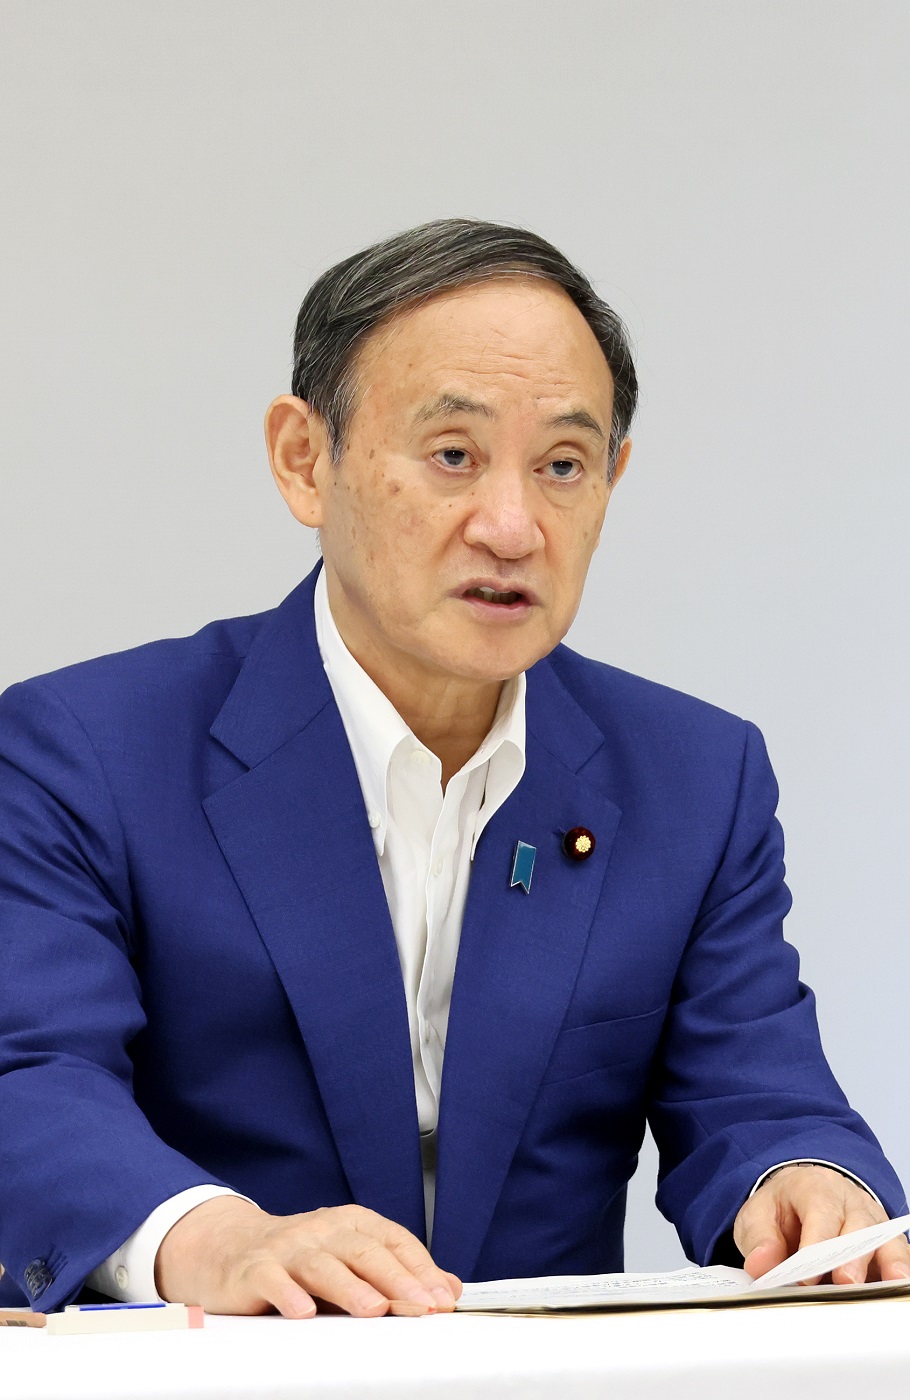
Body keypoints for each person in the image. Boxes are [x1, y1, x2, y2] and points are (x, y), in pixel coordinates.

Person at [0, 219, 907, 1320]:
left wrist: (805, 1182)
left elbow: (758, 1092)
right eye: (452, 456)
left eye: (563, 466)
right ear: (304, 459)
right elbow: (28, 1076)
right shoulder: (86, 748)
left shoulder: (694, 778)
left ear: (612, 480)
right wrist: (215, 1239)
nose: (513, 527)